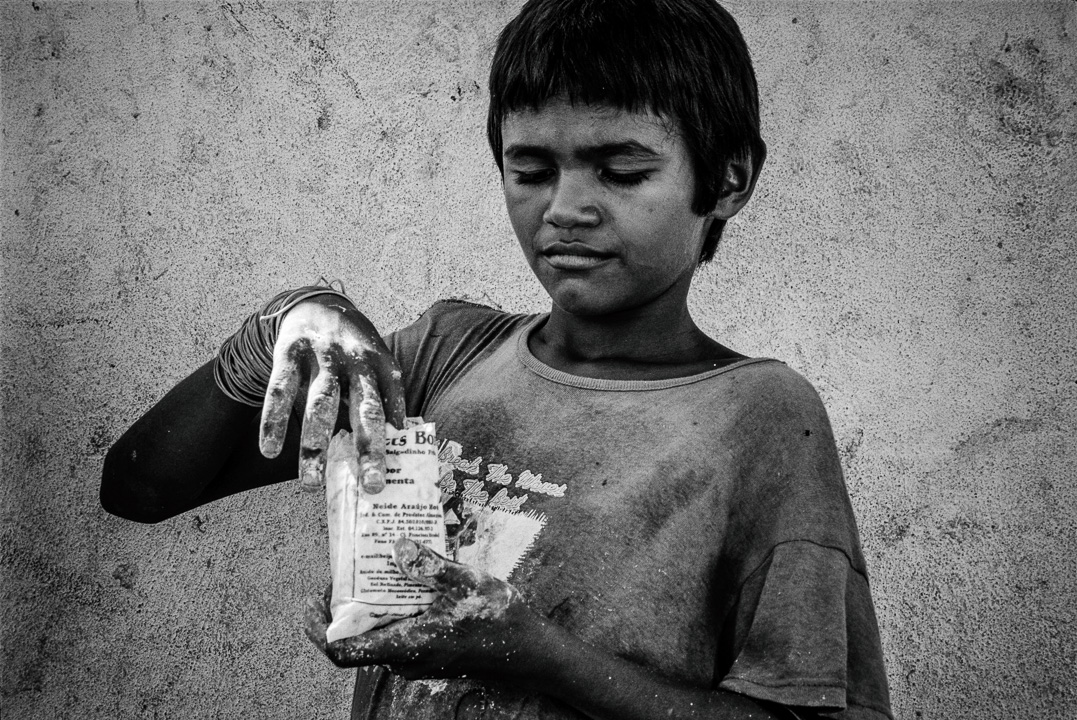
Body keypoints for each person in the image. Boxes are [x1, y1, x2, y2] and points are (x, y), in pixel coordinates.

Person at [101, 0, 893, 718]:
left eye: (620, 172)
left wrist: (535, 653)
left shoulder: (759, 416)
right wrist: (275, 326)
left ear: (728, 178)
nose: (565, 209)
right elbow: (139, 489)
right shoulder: (443, 357)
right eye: (531, 171)